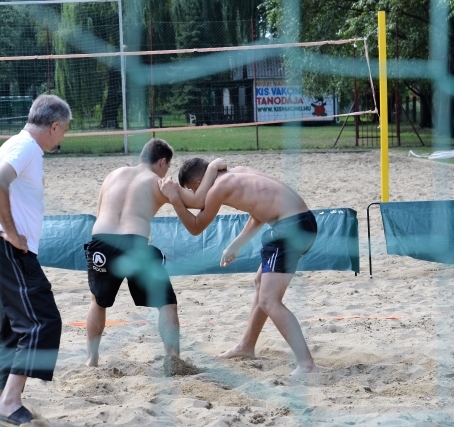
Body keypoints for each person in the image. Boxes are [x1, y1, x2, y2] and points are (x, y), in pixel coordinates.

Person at [159, 158, 319, 375]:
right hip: (302, 222)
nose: (194, 193)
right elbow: (257, 212)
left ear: (199, 182)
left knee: (269, 299)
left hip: (290, 228)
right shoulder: (241, 172)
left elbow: (196, 226)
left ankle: (306, 364)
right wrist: (236, 245)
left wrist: (175, 197)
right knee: (260, 282)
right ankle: (247, 346)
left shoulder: (218, 188)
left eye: (191, 189)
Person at [85, 138, 224, 374]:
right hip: (134, 243)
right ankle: (173, 359)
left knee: (98, 301)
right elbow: (198, 201)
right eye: (167, 167)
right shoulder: (159, 181)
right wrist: (212, 168)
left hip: (101, 240)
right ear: (162, 162)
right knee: (166, 303)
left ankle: (92, 359)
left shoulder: (113, 175)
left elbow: (100, 212)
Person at [0, 94, 71, 426]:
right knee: (43, 321)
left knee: (14, 329)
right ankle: (9, 402)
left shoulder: (16, 144)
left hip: (2, 247)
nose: (62, 138)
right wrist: (14, 233)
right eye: (64, 132)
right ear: (54, 126)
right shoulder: (27, 148)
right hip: (9, 248)